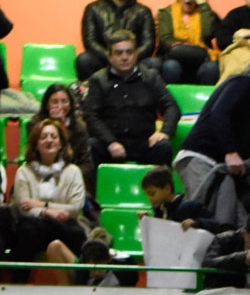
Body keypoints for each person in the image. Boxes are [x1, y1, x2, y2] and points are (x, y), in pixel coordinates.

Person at [173, 53, 250, 206]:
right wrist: (231, 151)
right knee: (202, 213)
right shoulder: (245, 82)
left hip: (207, 161)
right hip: (200, 158)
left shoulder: (248, 92)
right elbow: (219, 113)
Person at [80, 31, 179, 168]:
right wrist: (110, 142)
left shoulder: (150, 77)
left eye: (129, 52)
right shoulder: (98, 80)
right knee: (92, 146)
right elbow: (90, 115)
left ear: (136, 54)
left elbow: (171, 106)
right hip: (111, 144)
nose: (125, 57)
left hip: (145, 143)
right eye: (119, 53)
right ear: (109, 56)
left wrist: (164, 132)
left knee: (163, 146)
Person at [10, 118, 89, 258]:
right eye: (43, 137)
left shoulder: (73, 171)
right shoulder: (24, 171)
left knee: (76, 233)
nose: (49, 140)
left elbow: (75, 207)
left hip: (64, 226)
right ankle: (20, 272)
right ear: (36, 144)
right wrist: (49, 212)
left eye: (54, 136)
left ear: (61, 143)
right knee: (27, 228)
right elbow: (23, 209)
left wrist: (40, 205)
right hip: (34, 226)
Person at [78, 0, 156, 81]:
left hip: (134, 62)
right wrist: (112, 57)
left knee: (154, 63)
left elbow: (148, 43)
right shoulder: (93, 9)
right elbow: (90, 41)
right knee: (84, 59)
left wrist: (129, 57)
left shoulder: (143, 11)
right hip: (104, 59)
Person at [155, 0, 220, 86]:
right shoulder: (165, 13)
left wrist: (204, 6)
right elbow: (166, 39)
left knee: (212, 67)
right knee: (171, 66)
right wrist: (187, 49)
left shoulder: (207, 14)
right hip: (174, 59)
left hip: (200, 63)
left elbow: (207, 33)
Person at [35, 83, 95, 192]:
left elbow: (87, 164)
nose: (60, 106)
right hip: (41, 176)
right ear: (47, 105)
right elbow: (34, 155)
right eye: (54, 102)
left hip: (69, 181)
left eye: (64, 101)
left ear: (70, 104)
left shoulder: (79, 127)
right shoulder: (35, 125)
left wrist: (69, 176)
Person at [140, 165, 216, 230]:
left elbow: (216, 224)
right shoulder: (159, 212)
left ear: (167, 188)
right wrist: (147, 221)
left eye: (152, 194)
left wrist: (196, 223)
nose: (149, 198)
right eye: (147, 195)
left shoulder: (189, 207)